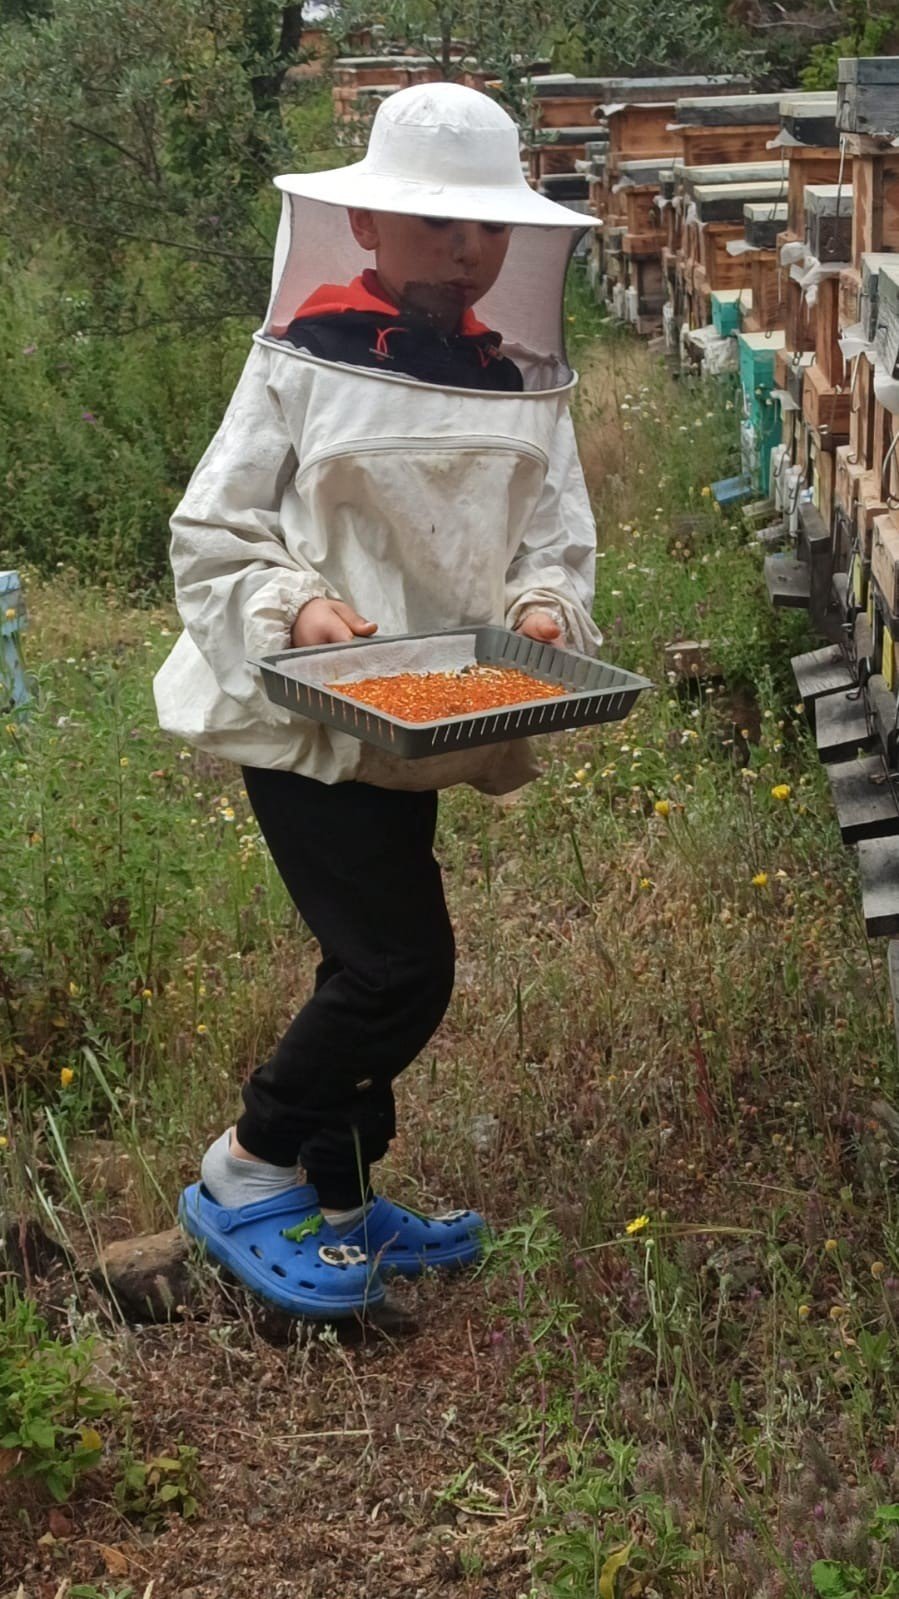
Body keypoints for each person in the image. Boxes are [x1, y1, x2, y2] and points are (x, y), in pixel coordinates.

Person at [153, 81, 601, 1321]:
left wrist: (545, 614)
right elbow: (217, 529)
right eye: (431, 226)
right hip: (303, 721)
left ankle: (343, 1207)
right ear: (363, 227)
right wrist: (297, 613)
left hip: (423, 722)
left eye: (484, 231)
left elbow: (551, 542)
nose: (464, 253)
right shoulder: (297, 361)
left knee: (362, 956)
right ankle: (246, 1168)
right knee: (399, 970)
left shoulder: (515, 381)